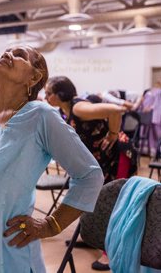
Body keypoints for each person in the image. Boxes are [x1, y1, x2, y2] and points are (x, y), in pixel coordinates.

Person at [0, 46, 104, 272]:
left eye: (19, 55)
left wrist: (51, 225)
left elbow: (90, 175)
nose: (7, 54)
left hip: (6, 248)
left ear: (34, 77)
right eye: (6, 50)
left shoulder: (40, 117)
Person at [45, 76, 128, 271]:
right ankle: (95, 238)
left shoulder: (78, 108)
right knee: (96, 200)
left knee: (112, 202)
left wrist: (113, 134)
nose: (46, 96)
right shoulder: (63, 111)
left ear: (61, 94)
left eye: (49, 93)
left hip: (118, 155)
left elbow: (115, 110)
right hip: (101, 158)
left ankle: (110, 252)